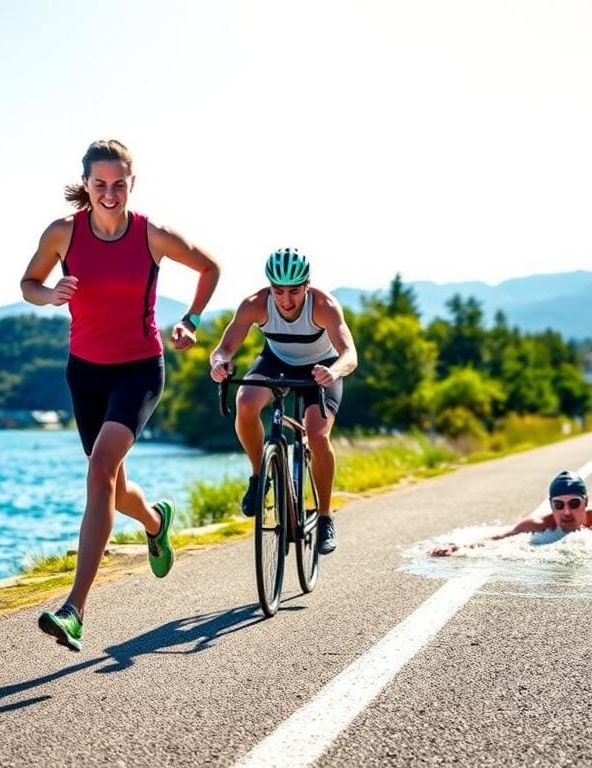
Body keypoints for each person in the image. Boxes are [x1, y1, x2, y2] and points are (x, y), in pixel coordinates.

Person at [20, 139, 220, 651]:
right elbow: (29, 283)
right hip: (84, 372)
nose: (109, 193)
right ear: (85, 183)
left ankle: (75, 610)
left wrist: (192, 320)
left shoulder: (152, 235)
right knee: (114, 484)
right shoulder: (63, 233)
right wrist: (50, 294)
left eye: (119, 184)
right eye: (100, 183)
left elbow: (209, 268)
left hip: (139, 369)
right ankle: (156, 521)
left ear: (132, 183)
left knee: (99, 470)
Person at [209, 248, 358, 555]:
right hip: (276, 361)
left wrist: (333, 371)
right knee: (246, 402)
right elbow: (223, 349)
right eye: (278, 292)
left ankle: (326, 517)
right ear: (269, 287)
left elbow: (349, 354)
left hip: (322, 368)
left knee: (317, 434)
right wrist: (220, 363)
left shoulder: (324, 305)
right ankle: (258, 477)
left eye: (294, 291)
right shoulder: (255, 305)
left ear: (307, 285)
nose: (286, 301)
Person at [429, 470, 592, 559]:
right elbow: (498, 536)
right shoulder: (538, 526)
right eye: (558, 505)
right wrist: (457, 546)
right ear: (551, 506)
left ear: (586, 502)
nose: (567, 512)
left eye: (573, 503)